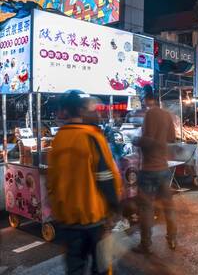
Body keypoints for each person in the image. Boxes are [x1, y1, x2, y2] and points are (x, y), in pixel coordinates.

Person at [48, 91, 122, 275]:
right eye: (92, 110)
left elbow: (52, 182)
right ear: (81, 111)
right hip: (94, 221)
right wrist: (115, 208)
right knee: (102, 268)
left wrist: (58, 212)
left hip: (68, 222)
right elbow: (106, 177)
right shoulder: (92, 137)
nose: (97, 113)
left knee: (74, 269)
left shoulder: (58, 140)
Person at [133, 86, 177, 254]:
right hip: (164, 167)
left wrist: (136, 139)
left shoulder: (149, 114)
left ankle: (145, 244)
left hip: (149, 169)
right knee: (168, 205)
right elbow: (172, 137)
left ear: (146, 98)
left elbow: (148, 141)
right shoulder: (166, 114)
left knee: (146, 208)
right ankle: (172, 238)